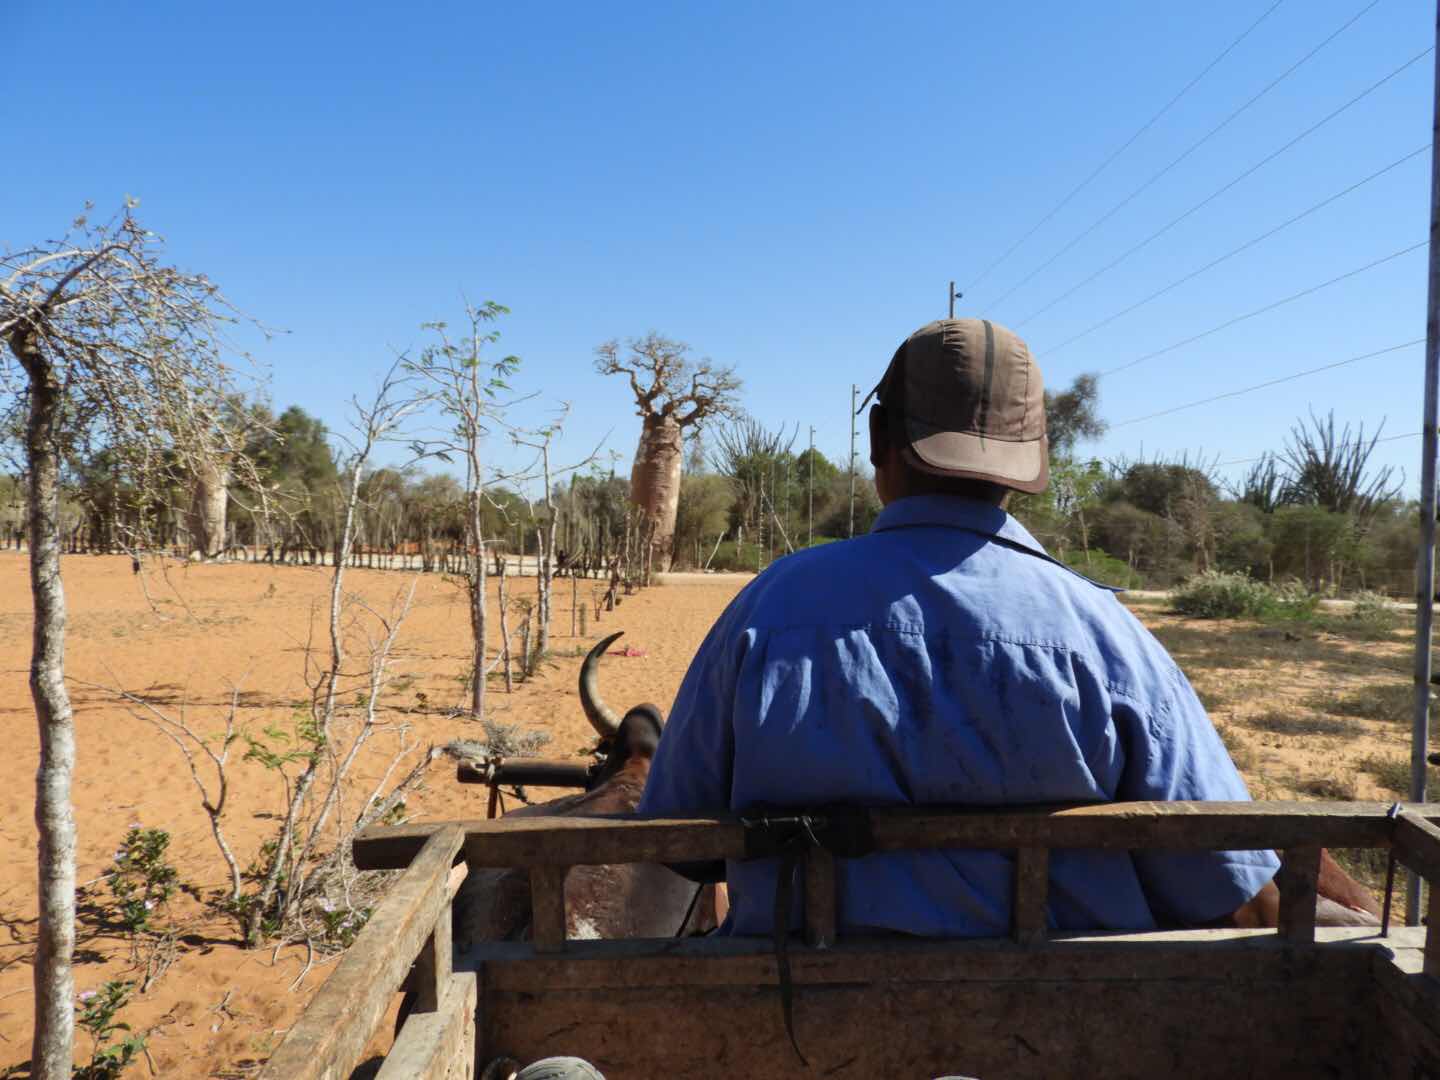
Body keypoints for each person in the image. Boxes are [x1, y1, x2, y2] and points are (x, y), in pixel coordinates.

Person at [638, 317, 1371, 937]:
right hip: (1066, 1032)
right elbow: (1220, 879)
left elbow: (679, 841)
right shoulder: (1111, 639)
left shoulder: (768, 609)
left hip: (794, 1022)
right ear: (1030, 461)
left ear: (878, 438)